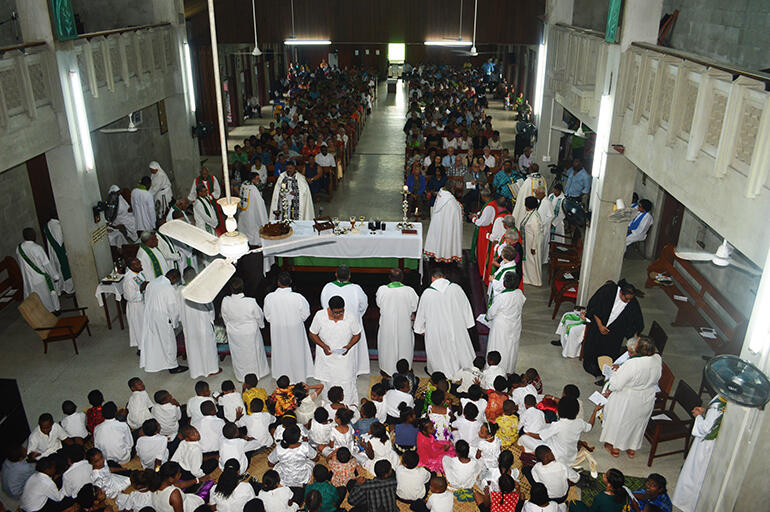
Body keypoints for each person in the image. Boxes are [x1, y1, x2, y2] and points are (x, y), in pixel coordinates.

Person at [600, 336, 662, 458]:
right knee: (637, 425)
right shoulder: (657, 359)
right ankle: (631, 449)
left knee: (620, 422)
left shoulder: (633, 363)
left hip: (628, 398)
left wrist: (613, 375)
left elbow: (616, 384)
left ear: (638, 349)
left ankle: (615, 448)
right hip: (646, 397)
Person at [413, 268, 475, 377]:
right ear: (444, 277)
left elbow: (421, 315)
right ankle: (462, 376)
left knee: (440, 356)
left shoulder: (427, 293)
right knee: (458, 351)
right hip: (456, 328)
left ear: (433, 279)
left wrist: (420, 329)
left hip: (436, 331)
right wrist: (466, 324)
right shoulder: (456, 288)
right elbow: (466, 308)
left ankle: (441, 378)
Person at [671, 394, 727, 512]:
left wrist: (699, 416)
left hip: (706, 444)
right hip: (714, 442)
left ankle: (687, 504)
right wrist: (706, 412)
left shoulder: (719, 404)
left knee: (695, 473)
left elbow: (705, 429)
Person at [582, 279, 644, 377]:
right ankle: (592, 367)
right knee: (593, 347)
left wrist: (634, 338)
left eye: (630, 299)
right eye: (626, 299)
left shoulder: (631, 302)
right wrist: (600, 326)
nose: (628, 302)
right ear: (620, 293)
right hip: (598, 326)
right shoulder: (607, 291)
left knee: (609, 351)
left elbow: (635, 321)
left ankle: (605, 372)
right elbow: (594, 308)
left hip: (614, 331)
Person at [309, 295, 363, 404]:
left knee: (346, 382)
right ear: (329, 309)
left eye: (341, 312)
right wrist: (323, 346)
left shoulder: (350, 317)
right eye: (335, 312)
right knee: (327, 381)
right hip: (326, 357)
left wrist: (348, 346)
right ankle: (328, 405)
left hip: (344, 358)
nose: (338, 315)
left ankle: (347, 404)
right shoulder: (320, 316)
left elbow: (357, 334)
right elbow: (312, 333)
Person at [320, 265, 370, 377]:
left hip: (332, 323)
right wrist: (357, 316)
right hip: (351, 324)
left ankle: (333, 371)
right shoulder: (356, 289)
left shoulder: (327, 287)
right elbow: (363, 305)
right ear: (349, 275)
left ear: (336, 274)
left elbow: (324, 305)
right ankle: (352, 372)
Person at [263, 272, 313, 382]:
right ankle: (299, 377)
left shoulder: (270, 298)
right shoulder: (298, 297)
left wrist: (279, 322)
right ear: (290, 282)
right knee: (297, 351)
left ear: (278, 282)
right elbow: (305, 314)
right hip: (295, 329)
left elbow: (268, 316)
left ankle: (282, 377)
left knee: (281, 352)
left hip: (278, 329)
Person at [220, 277, 269, 382]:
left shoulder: (226, 301)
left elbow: (225, 317)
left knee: (238, 355)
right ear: (243, 288)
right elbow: (259, 315)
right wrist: (261, 326)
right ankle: (256, 374)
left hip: (234, 331)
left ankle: (241, 375)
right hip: (249, 332)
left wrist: (229, 326)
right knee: (253, 354)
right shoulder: (250, 302)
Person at [140, 269, 188, 374]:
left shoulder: (153, 282)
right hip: (162, 318)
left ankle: (157, 361)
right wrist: (175, 323)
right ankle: (173, 366)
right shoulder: (168, 288)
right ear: (174, 278)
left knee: (155, 340)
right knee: (169, 343)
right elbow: (173, 308)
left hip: (150, 315)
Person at [375, 268, 419, 376]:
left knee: (387, 346)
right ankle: (405, 369)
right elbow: (414, 306)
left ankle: (387, 370)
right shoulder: (409, 291)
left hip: (387, 325)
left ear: (389, 277)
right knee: (404, 346)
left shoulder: (382, 290)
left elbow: (379, 304)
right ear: (402, 278)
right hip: (403, 324)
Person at [178, 267, 220, 379]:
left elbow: (177, 309)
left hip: (189, 324)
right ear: (196, 276)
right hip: (203, 324)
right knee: (207, 346)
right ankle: (211, 369)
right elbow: (210, 308)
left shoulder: (180, 291)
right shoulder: (202, 289)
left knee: (193, 348)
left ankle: (196, 371)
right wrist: (212, 319)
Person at [486, 272, 525, 374]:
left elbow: (491, 313)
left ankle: (495, 371)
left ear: (504, 283)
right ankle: (509, 369)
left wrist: (487, 317)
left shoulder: (501, 297)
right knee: (511, 348)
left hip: (501, 327)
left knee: (498, 347)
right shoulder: (520, 294)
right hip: (515, 325)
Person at [16, 227, 61, 312]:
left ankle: (37, 312)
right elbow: (46, 264)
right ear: (33, 235)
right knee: (46, 297)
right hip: (40, 278)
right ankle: (52, 311)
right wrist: (55, 276)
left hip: (28, 279)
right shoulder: (37, 248)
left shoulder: (19, 248)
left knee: (34, 297)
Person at [471, 188, 506, 282]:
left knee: (483, 251)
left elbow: (484, 222)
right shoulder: (493, 202)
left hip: (485, 231)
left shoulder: (489, 206)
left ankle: (482, 271)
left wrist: (473, 219)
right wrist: (478, 214)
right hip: (487, 230)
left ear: (483, 196)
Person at [423, 184, 464, 263]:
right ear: (451, 188)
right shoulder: (450, 199)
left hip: (438, 221)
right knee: (446, 238)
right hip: (447, 224)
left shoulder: (441, 193)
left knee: (436, 237)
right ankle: (446, 255)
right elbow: (455, 210)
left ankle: (434, 253)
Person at [44, 214, 73, 295]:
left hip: (54, 253)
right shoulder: (57, 226)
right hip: (60, 252)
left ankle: (61, 288)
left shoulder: (48, 225)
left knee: (58, 270)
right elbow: (60, 242)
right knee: (64, 270)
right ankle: (68, 289)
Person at [238, 171, 269, 246]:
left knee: (244, 227)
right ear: (253, 180)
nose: (259, 180)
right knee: (252, 228)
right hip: (251, 212)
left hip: (243, 211)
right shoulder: (253, 189)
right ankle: (253, 243)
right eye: (257, 179)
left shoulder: (244, 184)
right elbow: (259, 202)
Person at [123, 258, 148, 351]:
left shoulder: (138, 273)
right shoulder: (129, 280)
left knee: (144, 326)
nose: (140, 265)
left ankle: (146, 345)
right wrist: (141, 290)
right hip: (136, 307)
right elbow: (131, 297)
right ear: (131, 267)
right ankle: (141, 349)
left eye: (139, 262)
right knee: (139, 327)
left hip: (142, 304)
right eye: (137, 264)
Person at [518, 196, 543, 286]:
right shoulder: (530, 213)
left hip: (532, 244)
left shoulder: (534, 218)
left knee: (532, 263)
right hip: (527, 242)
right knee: (528, 262)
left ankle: (535, 281)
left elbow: (537, 234)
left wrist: (533, 247)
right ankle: (527, 278)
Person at [535, 188, 554, 264]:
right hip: (540, 227)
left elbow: (551, 216)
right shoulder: (540, 201)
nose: (536, 196)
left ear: (542, 193)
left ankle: (543, 260)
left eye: (537, 194)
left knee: (544, 245)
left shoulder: (547, 203)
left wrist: (542, 223)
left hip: (544, 227)